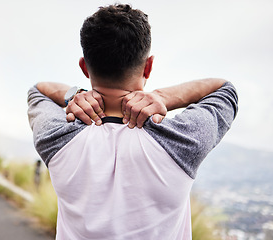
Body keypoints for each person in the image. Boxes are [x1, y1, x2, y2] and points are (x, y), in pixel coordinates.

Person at [27, 4, 238, 240]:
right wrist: (162, 97)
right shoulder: (180, 140)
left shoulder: (56, 137)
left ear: (84, 67)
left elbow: (38, 91)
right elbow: (225, 90)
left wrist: (75, 95)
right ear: (148, 66)